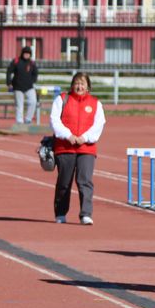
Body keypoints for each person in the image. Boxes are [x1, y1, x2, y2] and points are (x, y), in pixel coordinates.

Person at [49, 72, 105, 225]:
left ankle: (85, 214)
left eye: (82, 84)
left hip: (86, 149)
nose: (79, 87)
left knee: (84, 181)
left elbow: (99, 124)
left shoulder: (96, 103)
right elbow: (54, 120)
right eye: (77, 83)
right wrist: (68, 135)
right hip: (65, 147)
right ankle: (60, 213)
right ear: (72, 85)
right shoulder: (62, 99)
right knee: (64, 182)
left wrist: (84, 138)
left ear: (88, 87)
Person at [6, 46, 39, 124]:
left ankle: (28, 119)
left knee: (33, 102)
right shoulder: (16, 61)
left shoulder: (32, 63)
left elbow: (35, 73)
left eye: (28, 54)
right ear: (22, 53)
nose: (26, 55)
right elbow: (9, 72)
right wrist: (9, 83)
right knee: (19, 105)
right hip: (18, 87)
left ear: (30, 55)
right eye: (25, 53)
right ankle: (19, 121)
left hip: (29, 87)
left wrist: (32, 81)